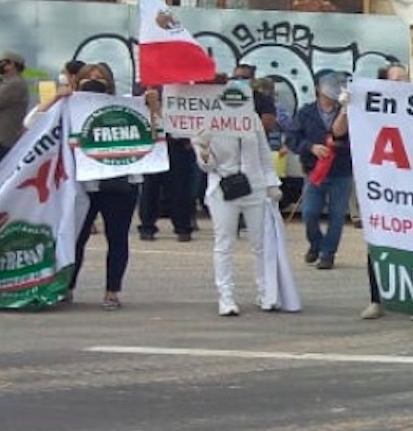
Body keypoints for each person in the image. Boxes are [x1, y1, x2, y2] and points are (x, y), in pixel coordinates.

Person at [39, 63, 140, 311]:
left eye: (100, 78)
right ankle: (67, 286)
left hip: (121, 184)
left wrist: (153, 108)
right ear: (77, 81)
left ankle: (112, 291)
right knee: (75, 237)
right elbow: (33, 122)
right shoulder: (68, 106)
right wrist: (56, 98)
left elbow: (155, 130)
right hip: (84, 185)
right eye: (89, 78)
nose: (95, 82)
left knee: (117, 239)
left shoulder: (125, 105)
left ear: (110, 83)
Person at [194, 91, 286, 317]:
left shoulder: (251, 119)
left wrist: (272, 183)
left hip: (254, 186)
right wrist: (203, 148)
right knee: (224, 242)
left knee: (261, 243)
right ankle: (226, 297)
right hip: (223, 188)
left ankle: (266, 292)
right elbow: (207, 166)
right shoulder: (205, 123)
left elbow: (264, 153)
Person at [289, 72, 353, 271]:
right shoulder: (305, 113)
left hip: (341, 170)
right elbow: (292, 138)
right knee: (309, 213)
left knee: (337, 216)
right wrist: (311, 147)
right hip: (314, 171)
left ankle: (328, 253)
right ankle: (315, 243)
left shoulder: (348, 111)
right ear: (318, 88)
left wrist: (341, 145)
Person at [137, 88, 200, 244]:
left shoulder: (183, 94)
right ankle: (147, 226)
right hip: (154, 147)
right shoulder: (147, 95)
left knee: (180, 189)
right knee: (150, 188)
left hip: (177, 145)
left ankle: (183, 227)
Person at [0, 50, 31, 170]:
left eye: (2, 62)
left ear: (11, 64)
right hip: (0, 138)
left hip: (2, 140)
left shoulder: (13, 84)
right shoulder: (8, 83)